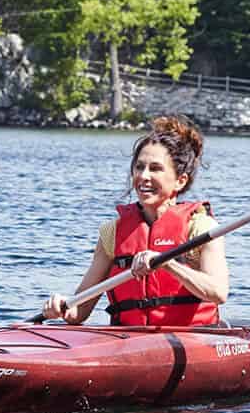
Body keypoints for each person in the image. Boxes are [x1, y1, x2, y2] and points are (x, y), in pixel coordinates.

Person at [43, 115, 229, 326]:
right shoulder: (111, 233)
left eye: (155, 169)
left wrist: (168, 265)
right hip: (130, 341)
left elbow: (218, 292)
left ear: (180, 181)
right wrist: (63, 307)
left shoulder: (200, 228)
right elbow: (80, 310)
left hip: (193, 339)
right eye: (139, 167)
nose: (143, 176)